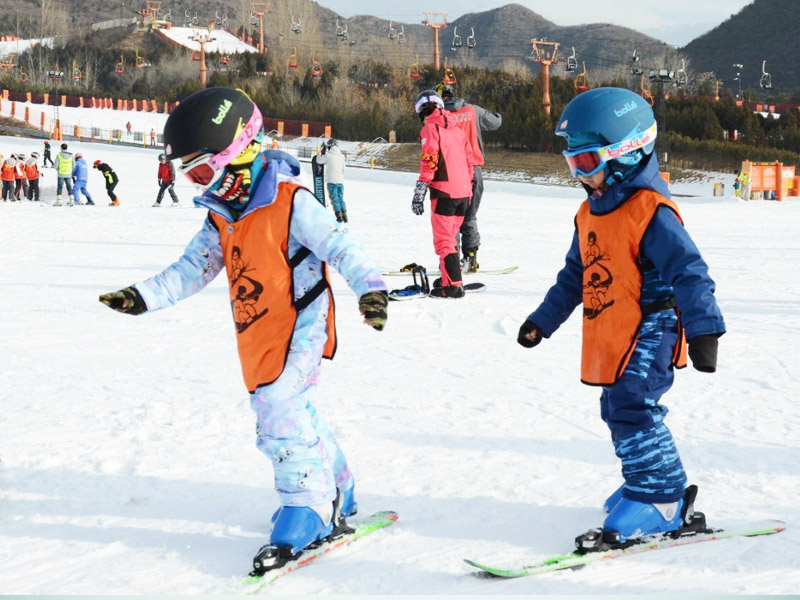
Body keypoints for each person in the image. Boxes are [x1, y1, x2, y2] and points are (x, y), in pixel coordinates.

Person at [97, 87, 389, 572]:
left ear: (236, 151)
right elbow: (193, 267)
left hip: (302, 324)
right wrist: (143, 296)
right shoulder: (221, 214)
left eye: (202, 171)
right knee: (295, 409)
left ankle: (309, 507)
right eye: (190, 175)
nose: (197, 184)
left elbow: (342, 246)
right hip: (257, 332)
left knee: (278, 408)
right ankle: (339, 487)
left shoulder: (291, 202)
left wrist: (371, 290)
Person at [517, 88, 726, 546]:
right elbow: (576, 275)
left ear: (626, 153)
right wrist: (543, 320)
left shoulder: (651, 213)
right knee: (615, 406)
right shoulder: (589, 212)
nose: (579, 175)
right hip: (614, 327)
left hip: (653, 325)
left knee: (633, 404)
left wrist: (704, 330)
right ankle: (643, 481)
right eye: (573, 163)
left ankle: (662, 497)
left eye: (588, 162)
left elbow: (690, 271)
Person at [411, 89, 476, 298]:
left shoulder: (431, 129)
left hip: (444, 192)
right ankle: (449, 277)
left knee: (444, 241)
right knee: (450, 236)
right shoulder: (458, 129)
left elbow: (429, 160)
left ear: (421, 112)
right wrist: (468, 188)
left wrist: (420, 190)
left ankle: (454, 286)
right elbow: (470, 162)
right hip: (464, 193)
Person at [439, 83, 502, 272]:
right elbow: (496, 122)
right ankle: (471, 257)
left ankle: (452, 259)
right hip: (474, 169)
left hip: (449, 173)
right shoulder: (473, 110)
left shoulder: (440, 117)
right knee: (469, 215)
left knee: (450, 217)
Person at [315, 138, 347, 222]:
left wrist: (319, 154)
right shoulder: (342, 156)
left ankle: (339, 217)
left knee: (334, 199)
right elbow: (343, 169)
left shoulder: (328, 155)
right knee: (341, 198)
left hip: (331, 182)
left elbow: (319, 161)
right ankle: (345, 215)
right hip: (340, 181)